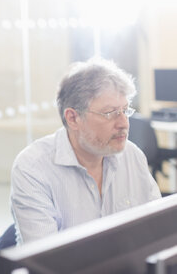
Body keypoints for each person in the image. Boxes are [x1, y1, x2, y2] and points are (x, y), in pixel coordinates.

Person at [10, 58, 161, 243]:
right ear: (73, 118)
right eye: (110, 113)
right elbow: (44, 263)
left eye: (125, 110)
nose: (124, 123)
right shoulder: (33, 168)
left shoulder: (132, 156)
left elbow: (158, 229)